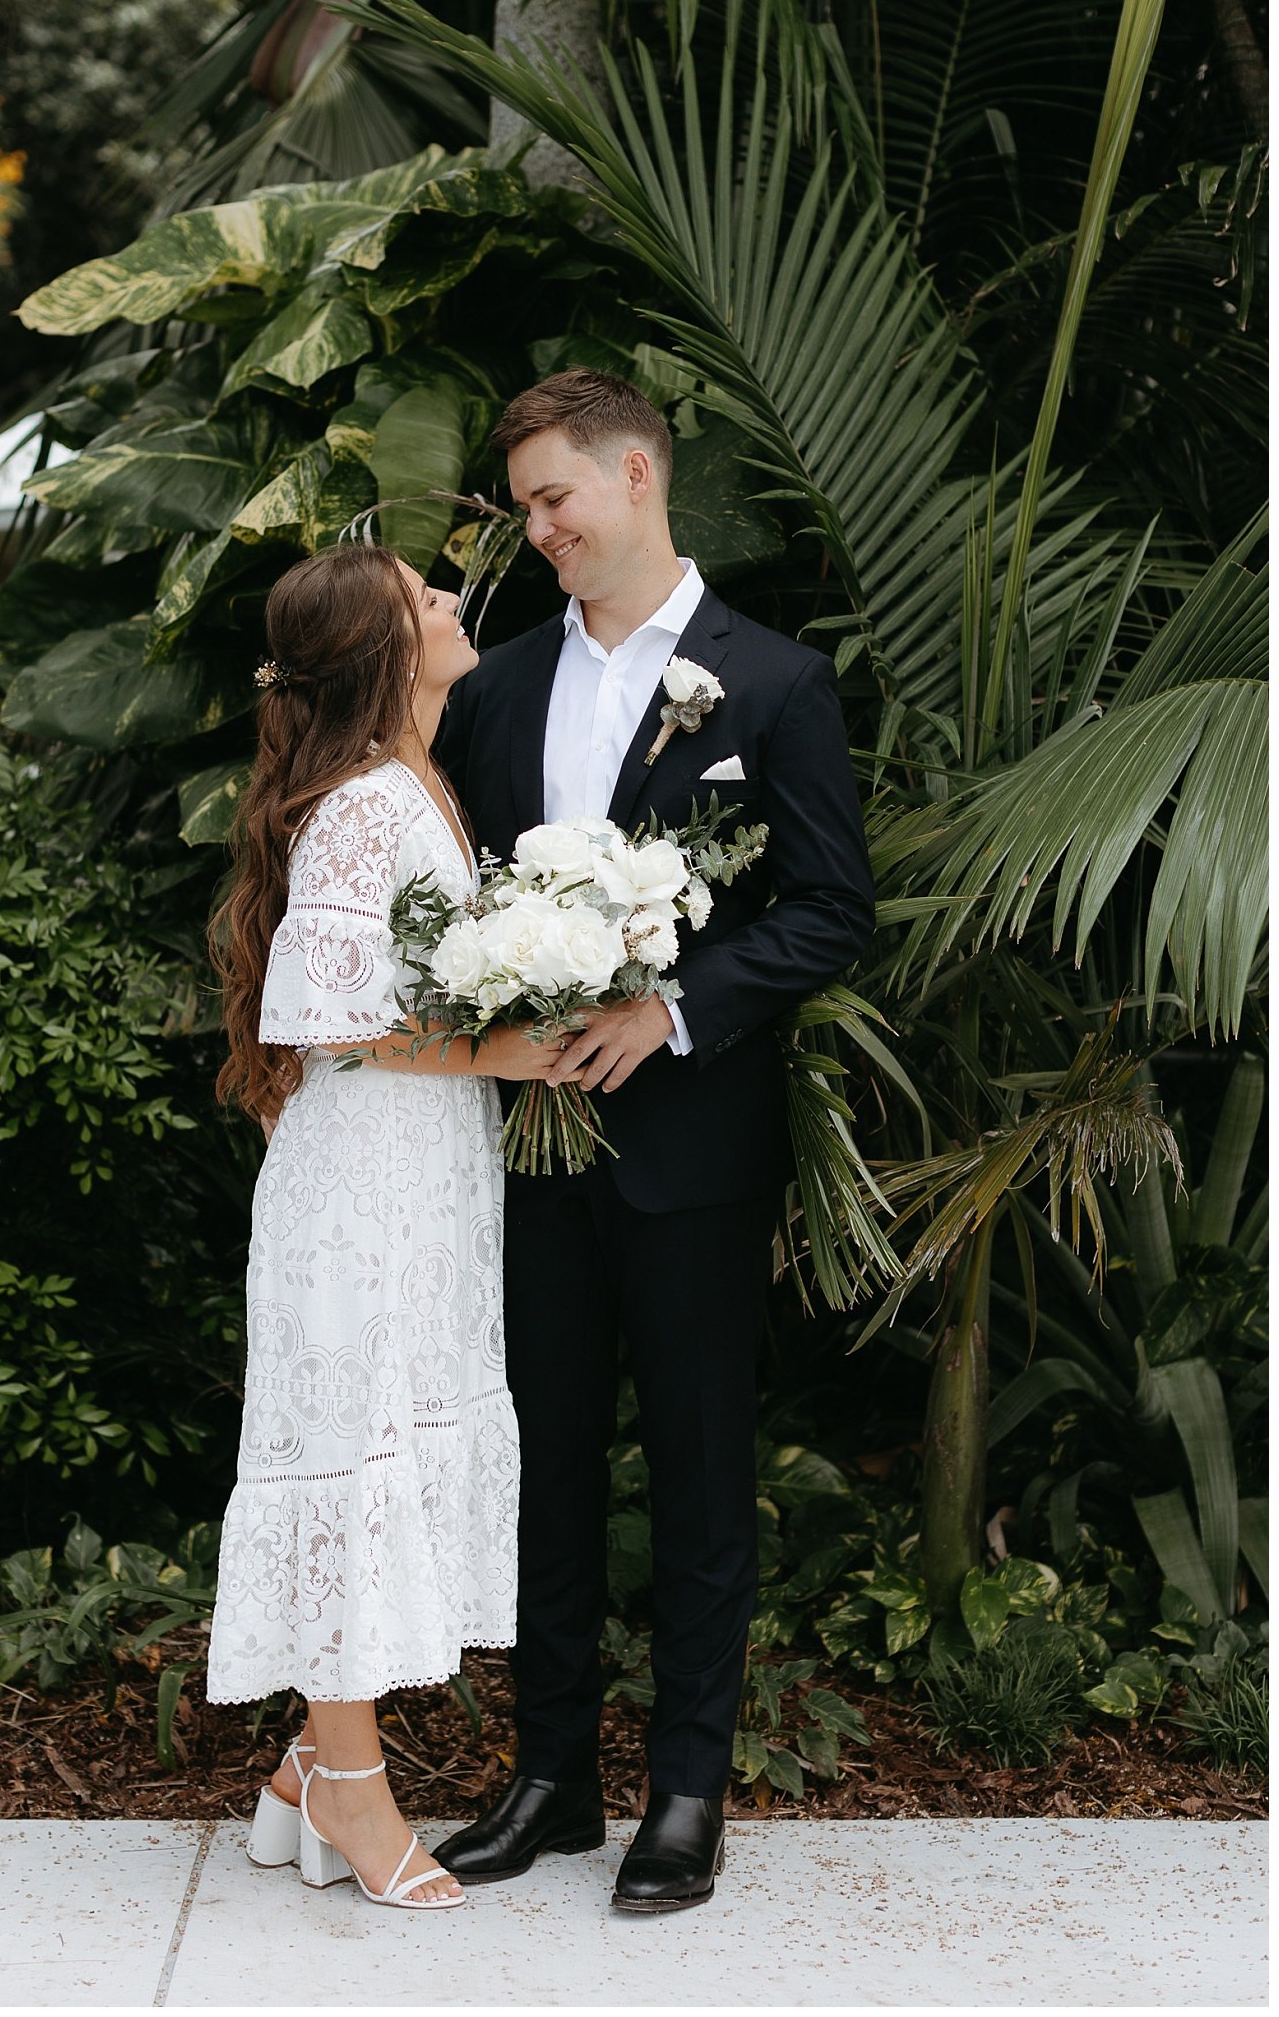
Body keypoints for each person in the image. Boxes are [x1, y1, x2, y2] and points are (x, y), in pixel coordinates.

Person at [432, 371, 875, 1920]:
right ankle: (551, 1777)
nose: (537, 528)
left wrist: (674, 1008)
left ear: (636, 473)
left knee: (696, 1469)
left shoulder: (772, 683)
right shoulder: (489, 692)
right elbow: (462, 899)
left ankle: (687, 1786)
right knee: (544, 1466)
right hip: (530, 1152)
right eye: (526, 506)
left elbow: (829, 905)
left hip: (693, 1149)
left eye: (554, 496)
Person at [205, 544, 556, 1910]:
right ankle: (353, 1784)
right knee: (357, 1453)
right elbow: (331, 1014)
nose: (453, 605)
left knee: (388, 1434)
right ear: (382, 650)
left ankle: (307, 1760)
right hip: (360, 1193)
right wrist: (508, 1049)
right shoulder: (364, 806)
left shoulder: (414, 778)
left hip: (416, 1181)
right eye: (425, 597)